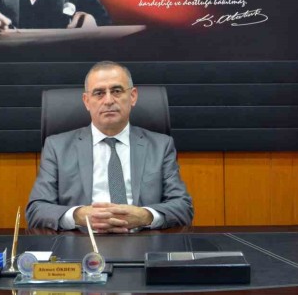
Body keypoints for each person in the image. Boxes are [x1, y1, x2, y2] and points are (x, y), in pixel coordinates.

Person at [26, 61, 194, 232]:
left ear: (133, 96)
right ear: (86, 101)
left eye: (116, 91)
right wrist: (79, 216)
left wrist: (144, 216)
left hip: (143, 239)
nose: (108, 100)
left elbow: (183, 206)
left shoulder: (160, 146)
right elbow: (36, 209)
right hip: (82, 240)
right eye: (99, 93)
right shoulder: (57, 147)